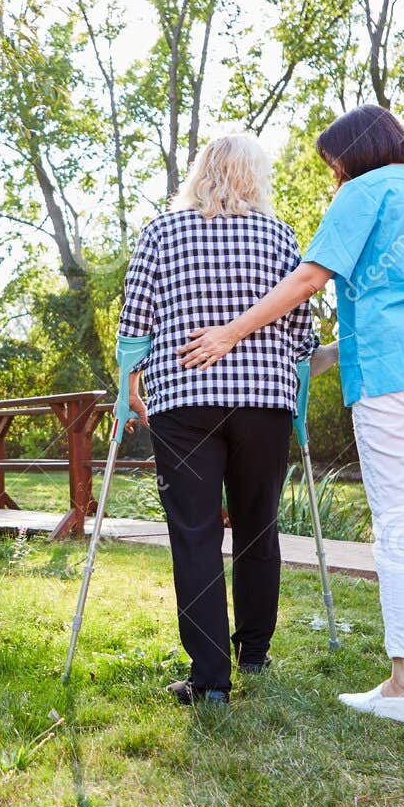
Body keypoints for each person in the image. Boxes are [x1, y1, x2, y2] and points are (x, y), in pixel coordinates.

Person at [177, 105, 404, 724]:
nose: (333, 178)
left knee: (401, 522)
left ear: (354, 154)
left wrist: (228, 336)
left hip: (395, 379)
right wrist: (308, 360)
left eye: (333, 164)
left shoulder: (363, 190)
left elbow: (306, 281)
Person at [115, 134, 320, 709]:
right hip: (263, 400)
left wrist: (129, 386)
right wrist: (295, 393)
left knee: (196, 532)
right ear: (255, 177)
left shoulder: (161, 232)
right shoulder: (279, 236)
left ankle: (210, 679)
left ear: (200, 172)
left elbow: (136, 323)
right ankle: (253, 651)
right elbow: (302, 331)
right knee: (258, 526)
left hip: (183, 400)